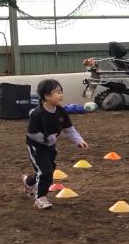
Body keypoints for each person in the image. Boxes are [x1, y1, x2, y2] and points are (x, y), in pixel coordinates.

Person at [23, 79, 88, 209]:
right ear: (47, 96)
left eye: (61, 91)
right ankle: (40, 198)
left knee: (48, 170)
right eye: (57, 92)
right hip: (36, 146)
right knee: (45, 171)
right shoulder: (38, 114)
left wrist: (79, 140)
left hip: (50, 146)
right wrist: (48, 139)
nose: (61, 95)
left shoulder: (61, 111)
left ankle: (28, 181)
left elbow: (69, 129)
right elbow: (32, 133)